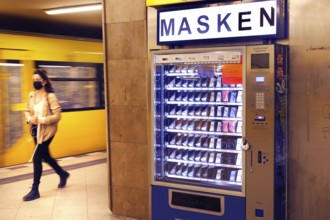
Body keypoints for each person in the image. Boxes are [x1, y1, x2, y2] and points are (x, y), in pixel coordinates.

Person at [23, 68, 70, 201]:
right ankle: (63, 174)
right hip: (35, 131)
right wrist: (29, 119)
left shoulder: (50, 96)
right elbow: (27, 110)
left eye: (37, 80)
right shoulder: (31, 95)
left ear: (44, 82)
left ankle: (35, 190)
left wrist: (42, 120)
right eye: (33, 80)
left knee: (37, 158)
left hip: (47, 132)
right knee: (46, 156)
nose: (35, 82)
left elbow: (58, 116)